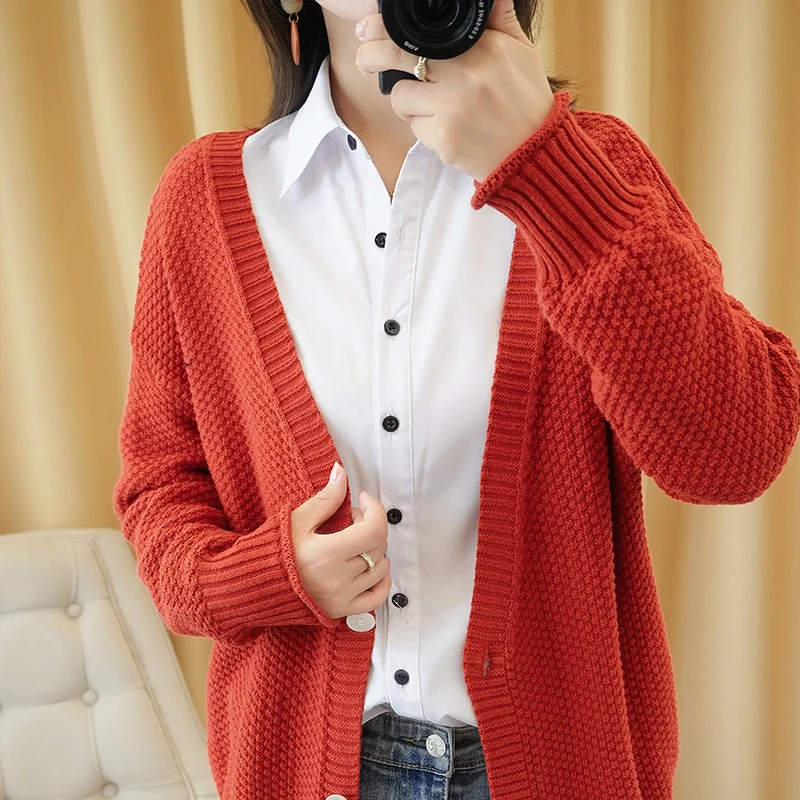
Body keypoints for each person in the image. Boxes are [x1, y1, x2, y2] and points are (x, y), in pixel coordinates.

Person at [113, 1, 800, 799]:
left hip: (558, 768)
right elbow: (158, 497)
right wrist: (273, 575)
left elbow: (736, 454)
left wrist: (548, 170)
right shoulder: (204, 198)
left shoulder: (594, 171)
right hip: (304, 770)